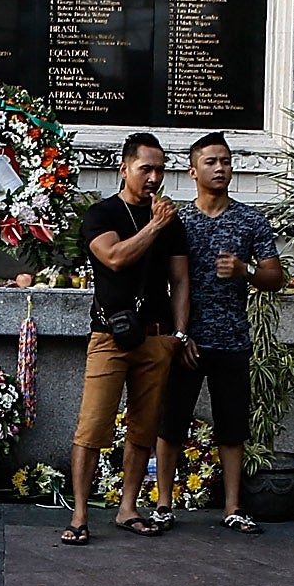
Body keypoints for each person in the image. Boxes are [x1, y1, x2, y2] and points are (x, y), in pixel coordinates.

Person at [147, 132, 287, 533]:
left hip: (232, 339)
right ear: (193, 171)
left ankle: (232, 506)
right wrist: (178, 335)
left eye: (226, 161)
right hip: (185, 340)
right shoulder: (178, 221)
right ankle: (163, 504)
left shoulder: (250, 220)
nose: (221, 167)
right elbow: (165, 282)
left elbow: (276, 276)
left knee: (232, 427)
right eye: (211, 161)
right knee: (170, 424)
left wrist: (246, 270)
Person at [63, 133, 192, 544]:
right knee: (93, 426)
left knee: (143, 428)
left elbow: (180, 280)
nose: (154, 178)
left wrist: (178, 333)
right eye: (145, 169)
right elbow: (115, 258)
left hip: (156, 337)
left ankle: (128, 507)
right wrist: (155, 225)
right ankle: (80, 515)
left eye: (160, 170)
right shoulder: (102, 214)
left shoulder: (171, 223)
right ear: (124, 168)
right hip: (110, 336)